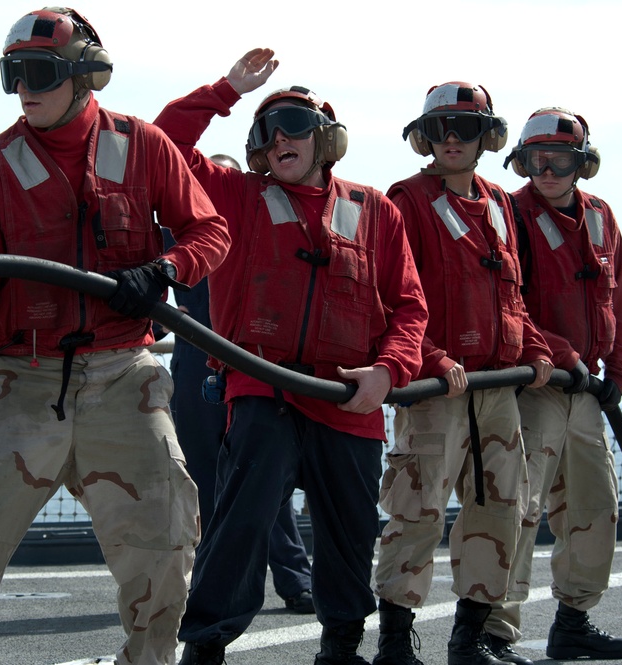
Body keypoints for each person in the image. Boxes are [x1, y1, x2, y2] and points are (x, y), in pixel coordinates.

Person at [0, 8, 230, 665]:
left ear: (84, 76)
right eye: (13, 74)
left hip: (123, 377)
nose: (24, 88)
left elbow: (209, 232)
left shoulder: (143, 146)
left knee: (163, 539)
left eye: (39, 72)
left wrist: (162, 269)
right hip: (20, 379)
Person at [154, 48, 428, 665]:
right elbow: (161, 144)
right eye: (268, 129)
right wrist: (225, 90)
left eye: (296, 126)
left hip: (350, 400)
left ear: (324, 139)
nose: (282, 137)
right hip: (262, 393)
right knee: (241, 524)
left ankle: (341, 647)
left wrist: (389, 372)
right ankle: (205, 648)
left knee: (350, 533)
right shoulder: (235, 196)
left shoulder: (376, 210)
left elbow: (409, 306)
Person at [373, 82, 554, 665]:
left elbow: (513, 295)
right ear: (426, 136)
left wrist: (534, 348)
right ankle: (396, 643)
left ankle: (469, 639)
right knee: (416, 513)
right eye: (443, 127)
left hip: (496, 390)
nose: (453, 139)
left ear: (487, 138)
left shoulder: (500, 203)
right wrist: (433, 358)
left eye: (467, 128)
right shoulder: (404, 201)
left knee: (501, 509)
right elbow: (390, 298)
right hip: (436, 391)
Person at [481, 108, 622, 662]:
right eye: (536, 160)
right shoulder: (511, 216)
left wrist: (618, 366)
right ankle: (495, 631)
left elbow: (615, 295)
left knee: (595, 506)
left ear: (582, 164)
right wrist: (561, 352)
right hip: (537, 384)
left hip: (587, 393)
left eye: (559, 160)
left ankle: (574, 621)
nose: (546, 171)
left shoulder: (600, 217)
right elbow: (509, 302)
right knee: (518, 507)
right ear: (522, 161)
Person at [165, 152, 317, 615]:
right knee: (206, 483)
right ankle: (214, 588)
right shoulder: (175, 230)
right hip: (194, 364)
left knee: (262, 477)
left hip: (251, 363)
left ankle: (295, 580)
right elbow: (142, 284)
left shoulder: (260, 226)